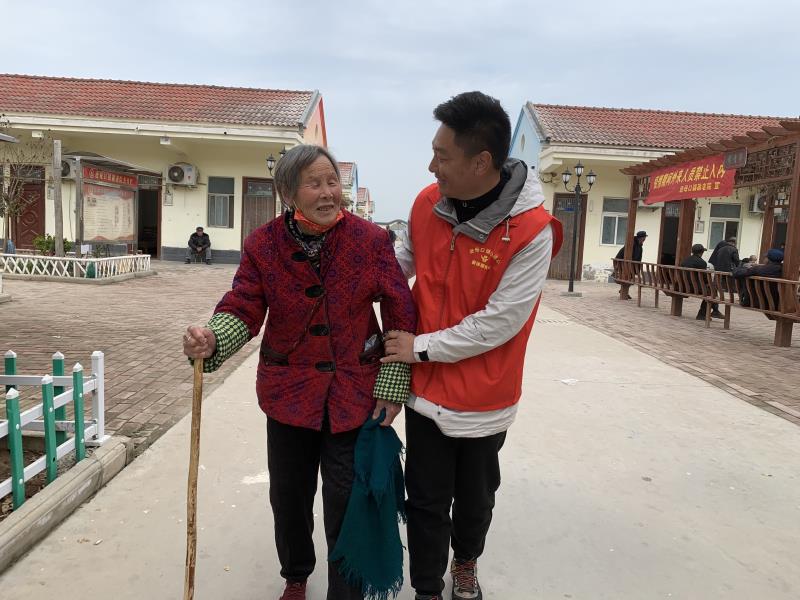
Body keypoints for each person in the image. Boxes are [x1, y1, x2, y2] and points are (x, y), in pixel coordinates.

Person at [182, 145, 416, 600]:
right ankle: (295, 574)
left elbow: (399, 308)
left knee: (346, 500)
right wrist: (212, 338)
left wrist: (392, 384)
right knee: (289, 497)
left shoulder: (370, 240)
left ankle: (345, 591)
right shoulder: (264, 244)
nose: (328, 193)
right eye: (314, 183)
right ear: (288, 193)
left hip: (353, 391)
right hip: (288, 392)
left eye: (333, 182)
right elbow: (244, 306)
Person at [382, 92, 562, 600]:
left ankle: (465, 562)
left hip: (485, 396)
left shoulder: (531, 231)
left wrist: (419, 348)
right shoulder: (427, 203)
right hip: (426, 392)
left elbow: (500, 322)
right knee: (425, 498)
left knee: (476, 498)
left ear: (481, 162)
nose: (431, 166)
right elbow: (401, 263)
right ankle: (426, 589)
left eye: (442, 156)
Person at [679, 243, 723, 320]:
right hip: (694, 288)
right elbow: (705, 279)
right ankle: (703, 314)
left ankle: (715, 311)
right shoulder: (702, 262)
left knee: (711, 289)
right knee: (712, 290)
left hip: (683, 286)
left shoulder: (685, 261)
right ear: (701, 252)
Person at [615, 230, 647, 300]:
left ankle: (624, 291)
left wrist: (637, 271)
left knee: (631, 279)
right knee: (630, 278)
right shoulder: (632, 244)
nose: (644, 239)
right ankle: (624, 291)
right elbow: (633, 257)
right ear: (641, 238)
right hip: (624, 265)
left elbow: (638, 259)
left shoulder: (639, 246)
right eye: (644, 238)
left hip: (630, 266)